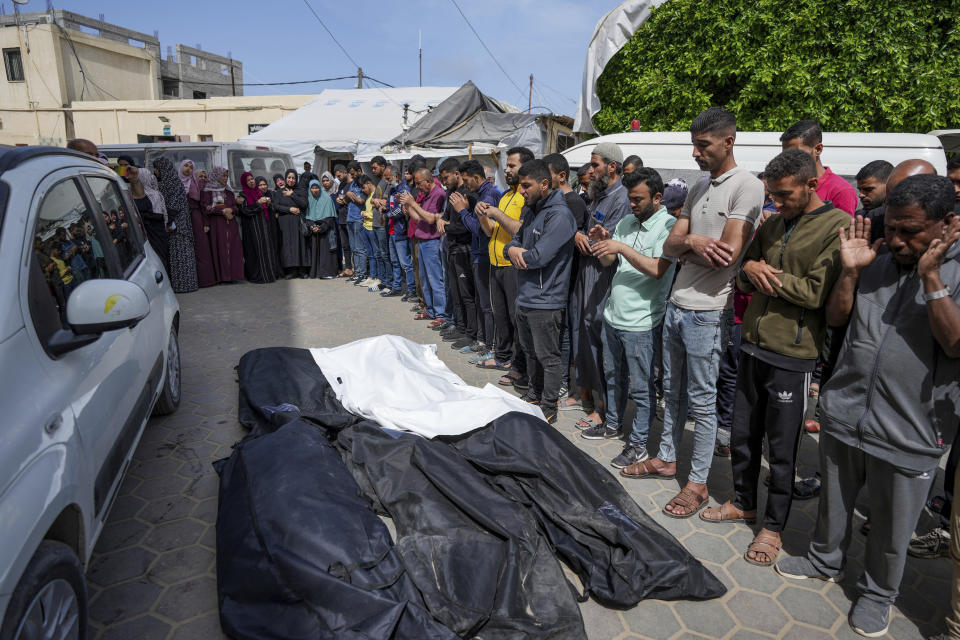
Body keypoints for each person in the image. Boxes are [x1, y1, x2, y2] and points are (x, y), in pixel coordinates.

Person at [775, 175, 960, 638]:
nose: (896, 239)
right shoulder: (875, 255)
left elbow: (955, 344)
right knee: (834, 501)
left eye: (910, 231)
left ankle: (879, 594)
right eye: (892, 227)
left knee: (894, 527)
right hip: (847, 408)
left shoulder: (956, 271)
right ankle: (823, 559)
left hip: (912, 428)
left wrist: (932, 278)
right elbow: (837, 317)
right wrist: (853, 272)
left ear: (946, 225)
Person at [701, 149, 850, 568]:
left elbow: (817, 293)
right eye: (772, 196)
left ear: (811, 186)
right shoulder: (775, 222)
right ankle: (744, 503)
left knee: (782, 451)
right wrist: (751, 269)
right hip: (751, 344)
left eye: (784, 196)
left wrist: (769, 277)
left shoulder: (836, 227)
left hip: (794, 355)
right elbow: (744, 268)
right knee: (744, 437)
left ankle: (773, 525)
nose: (776, 204)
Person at [621, 107, 764, 521]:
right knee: (673, 393)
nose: (696, 154)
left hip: (708, 312)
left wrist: (691, 243)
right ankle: (666, 458)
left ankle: (698, 483)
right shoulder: (700, 184)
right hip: (677, 306)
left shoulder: (747, 187)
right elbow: (670, 247)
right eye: (694, 145)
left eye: (703, 146)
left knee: (702, 403)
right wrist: (697, 241)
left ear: (728, 141)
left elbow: (728, 255)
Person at [581, 168, 677, 469]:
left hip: (642, 323)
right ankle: (613, 425)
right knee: (612, 377)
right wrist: (603, 243)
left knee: (642, 386)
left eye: (638, 199)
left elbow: (658, 268)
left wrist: (620, 245)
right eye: (630, 199)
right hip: (614, 315)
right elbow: (611, 261)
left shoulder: (669, 226)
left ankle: (638, 445)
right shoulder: (626, 222)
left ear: (657, 197)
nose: (632, 204)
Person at [503, 159, 577, 424]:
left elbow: (538, 257)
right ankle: (534, 395)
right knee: (530, 352)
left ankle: (549, 406)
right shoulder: (532, 210)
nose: (521, 191)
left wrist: (518, 251)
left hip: (546, 301)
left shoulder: (560, 216)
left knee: (549, 357)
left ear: (544, 184)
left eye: (526, 186)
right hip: (526, 296)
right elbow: (511, 244)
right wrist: (512, 250)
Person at [570, 141, 631, 431]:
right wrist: (579, 235)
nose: (591, 170)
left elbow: (611, 244)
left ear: (612, 167)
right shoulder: (597, 195)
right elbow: (587, 230)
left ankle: (606, 410)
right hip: (587, 276)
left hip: (604, 279)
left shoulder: (622, 199)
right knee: (586, 336)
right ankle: (591, 399)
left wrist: (587, 240)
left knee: (601, 343)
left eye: (595, 165)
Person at [474, 148, 532, 389]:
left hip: (513, 266)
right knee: (501, 316)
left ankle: (518, 366)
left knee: (514, 318)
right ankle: (504, 357)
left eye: (512, 166)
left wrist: (496, 213)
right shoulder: (507, 195)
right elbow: (491, 232)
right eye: (507, 166)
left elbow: (521, 229)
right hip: (496, 264)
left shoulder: (524, 198)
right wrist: (482, 216)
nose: (506, 170)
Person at [544, 153, 589, 404]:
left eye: (546, 175)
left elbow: (558, 239)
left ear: (561, 176)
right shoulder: (552, 203)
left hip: (568, 281)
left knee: (564, 335)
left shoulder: (573, 204)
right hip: (554, 281)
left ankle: (563, 382)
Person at [452, 160, 498, 356]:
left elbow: (481, 229)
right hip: (479, 254)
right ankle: (482, 340)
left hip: (487, 255)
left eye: (467, 180)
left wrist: (462, 211)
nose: (465, 184)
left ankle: (492, 346)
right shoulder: (478, 195)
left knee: (488, 305)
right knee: (481, 302)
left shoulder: (489, 195)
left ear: (477, 178)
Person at [399, 167, 449, 323]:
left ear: (428, 181)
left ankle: (441, 314)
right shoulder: (426, 194)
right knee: (425, 279)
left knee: (435, 279)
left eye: (419, 183)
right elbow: (418, 218)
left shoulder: (438, 194)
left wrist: (413, 203)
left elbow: (430, 218)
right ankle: (431, 309)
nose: (417, 187)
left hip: (432, 242)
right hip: (422, 240)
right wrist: (407, 206)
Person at [438, 157, 479, 349]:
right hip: (452, 249)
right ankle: (460, 326)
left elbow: (465, 226)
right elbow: (446, 217)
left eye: (446, 178)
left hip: (465, 250)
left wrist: (448, 226)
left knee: (467, 294)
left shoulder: (467, 195)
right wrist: (442, 221)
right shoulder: (451, 193)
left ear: (457, 174)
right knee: (455, 291)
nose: (444, 182)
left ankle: (471, 333)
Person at [780, 119, 858, 215]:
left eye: (796, 153)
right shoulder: (786, 184)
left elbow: (841, 228)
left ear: (818, 149)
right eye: (786, 155)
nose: (789, 160)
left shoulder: (841, 191)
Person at [153, 158, 198, 293]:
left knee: (180, 255)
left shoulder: (170, 182)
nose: (155, 171)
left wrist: (166, 219)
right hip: (180, 224)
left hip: (178, 226)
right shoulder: (172, 181)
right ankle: (185, 284)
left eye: (156, 168)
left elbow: (174, 205)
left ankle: (183, 285)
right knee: (180, 254)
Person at [201, 167, 244, 284]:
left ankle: (234, 275)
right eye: (223, 176)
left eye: (226, 176)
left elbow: (235, 206)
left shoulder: (229, 191)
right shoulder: (207, 191)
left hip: (231, 223)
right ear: (216, 176)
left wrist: (231, 209)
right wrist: (222, 211)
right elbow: (206, 207)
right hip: (217, 224)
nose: (225, 178)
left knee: (234, 249)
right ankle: (222, 277)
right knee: (220, 249)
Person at [237, 171, 279, 283]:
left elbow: (265, 209)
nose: (251, 181)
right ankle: (257, 276)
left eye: (252, 179)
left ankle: (268, 275)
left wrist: (268, 203)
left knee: (266, 250)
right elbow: (245, 210)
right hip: (252, 229)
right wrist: (258, 203)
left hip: (263, 227)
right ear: (244, 183)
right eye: (248, 180)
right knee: (255, 252)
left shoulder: (258, 192)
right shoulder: (243, 195)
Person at [180, 160, 216, 287]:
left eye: (205, 177)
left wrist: (205, 222)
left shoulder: (197, 186)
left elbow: (203, 206)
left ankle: (206, 280)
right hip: (183, 220)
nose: (202, 179)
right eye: (200, 176)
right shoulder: (182, 184)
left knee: (202, 249)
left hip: (196, 219)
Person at [382, 164, 415, 299]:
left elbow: (401, 210)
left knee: (405, 263)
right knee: (395, 261)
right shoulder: (392, 190)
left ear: (396, 176)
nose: (387, 181)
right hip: (392, 230)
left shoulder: (404, 190)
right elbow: (391, 208)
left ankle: (411, 289)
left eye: (388, 178)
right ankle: (397, 287)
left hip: (400, 230)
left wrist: (387, 215)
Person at [274, 169, 310, 279]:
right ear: (286, 178)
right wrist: (289, 209)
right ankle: (291, 271)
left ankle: (302, 270)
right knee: (288, 246)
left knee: (300, 245)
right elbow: (276, 206)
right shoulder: (280, 192)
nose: (291, 180)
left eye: (293, 178)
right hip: (285, 224)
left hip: (298, 223)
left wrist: (293, 194)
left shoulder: (301, 190)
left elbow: (304, 204)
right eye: (289, 177)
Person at [305, 178, 340, 278]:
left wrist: (320, 228)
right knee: (315, 252)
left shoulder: (327, 199)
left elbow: (330, 218)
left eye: (317, 188)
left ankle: (328, 273)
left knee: (327, 253)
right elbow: (307, 217)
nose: (315, 190)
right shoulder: (309, 199)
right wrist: (312, 226)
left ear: (320, 188)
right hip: (314, 229)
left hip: (326, 229)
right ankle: (316, 272)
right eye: (312, 188)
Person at [343, 161, 368, 285]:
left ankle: (362, 273)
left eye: (354, 174)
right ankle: (357, 272)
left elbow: (362, 201)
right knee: (353, 248)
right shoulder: (352, 183)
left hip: (359, 218)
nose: (352, 176)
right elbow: (345, 201)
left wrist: (351, 196)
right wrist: (347, 195)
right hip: (350, 218)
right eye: (351, 175)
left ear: (359, 171)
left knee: (360, 248)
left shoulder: (364, 182)